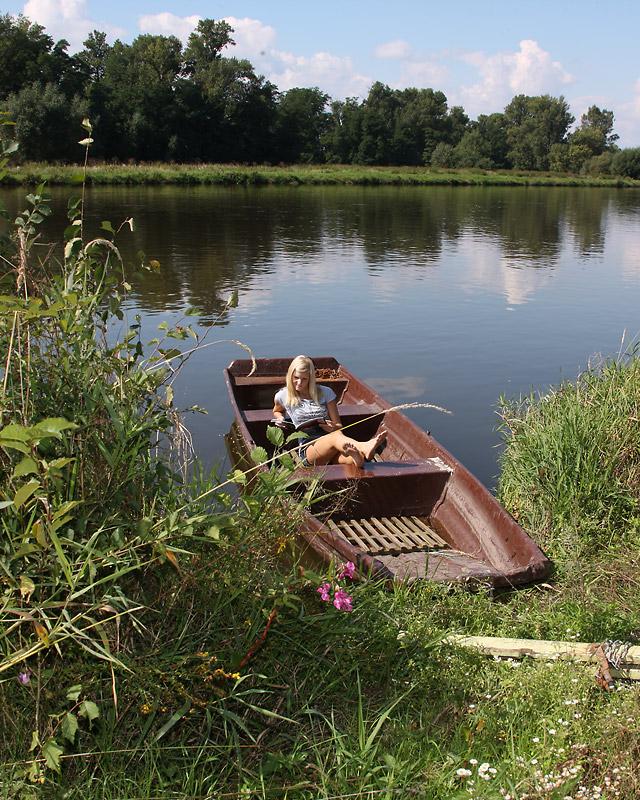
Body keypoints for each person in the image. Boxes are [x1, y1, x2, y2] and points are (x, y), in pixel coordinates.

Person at [272, 355, 386, 467]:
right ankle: (364, 447)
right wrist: (280, 418)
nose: (299, 382)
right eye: (296, 377)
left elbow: (338, 425)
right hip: (309, 447)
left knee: (346, 450)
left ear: (311, 378)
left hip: (333, 443)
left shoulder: (326, 392)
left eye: (304, 379)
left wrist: (333, 427)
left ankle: (358, 458)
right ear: (290, 375)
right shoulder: (283, 395)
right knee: (335, 437)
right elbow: (277, 410)